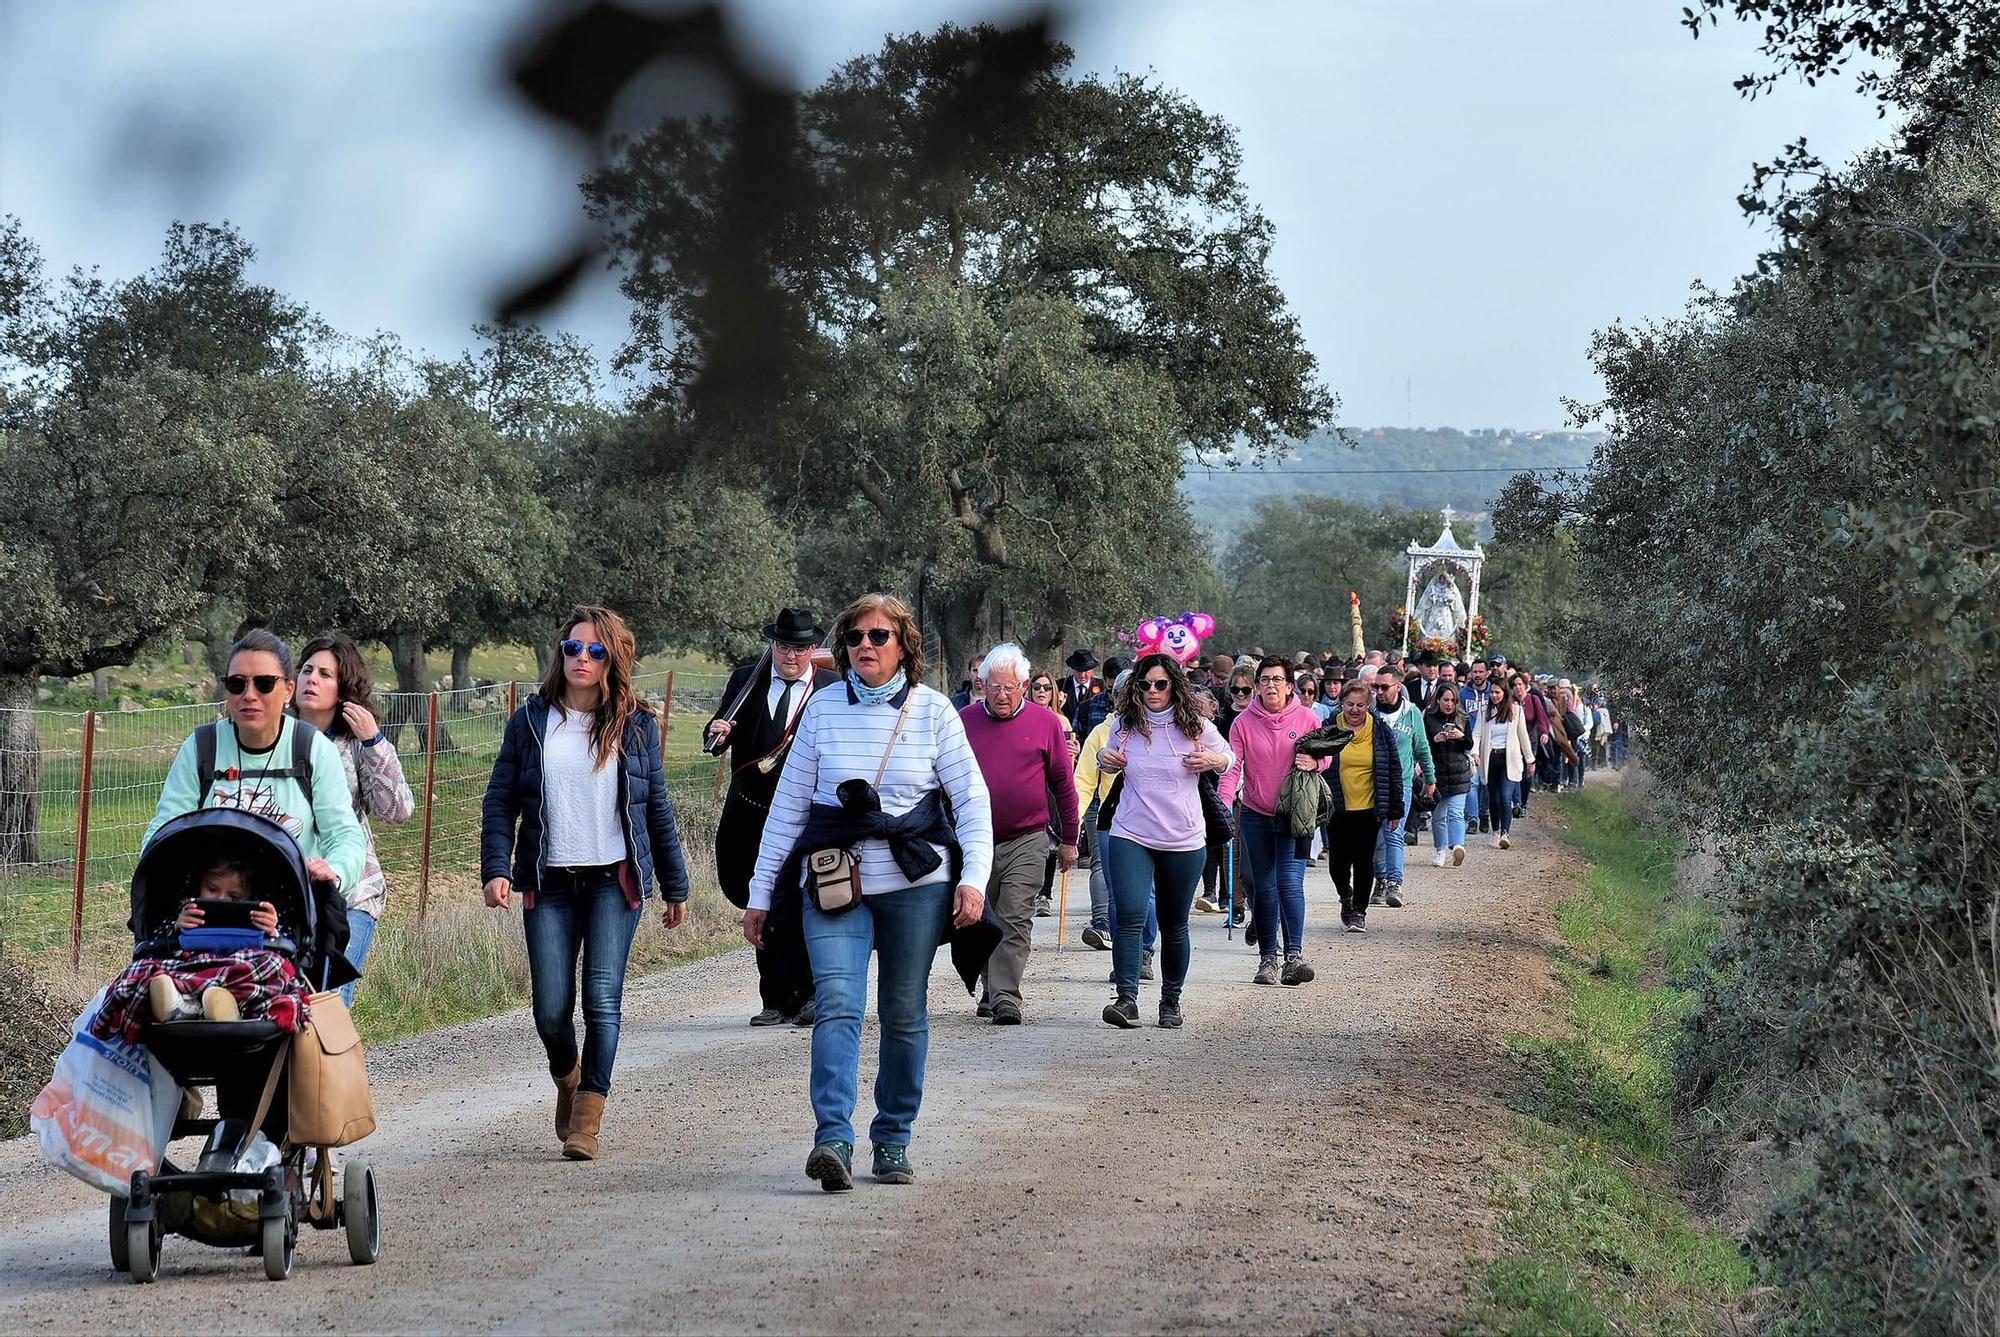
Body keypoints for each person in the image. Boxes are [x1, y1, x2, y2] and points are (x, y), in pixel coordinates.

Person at [744, 593, 994, 1192]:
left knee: (904, 1011)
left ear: (904, 646)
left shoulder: (935, 711)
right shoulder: (822, 709)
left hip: (916, 884)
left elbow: (971, 801)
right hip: (835, 881)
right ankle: (833, 1137)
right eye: (855, 637)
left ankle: (893, 1137)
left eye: (879, 636)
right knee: (837, 1003)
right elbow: (788, 808)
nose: (865, 646)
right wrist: (760, 891)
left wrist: (973, 879)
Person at [481, 605, 692, 1162]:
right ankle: (569, 1077)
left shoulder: (636, 725)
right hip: (548, 881)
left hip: (613, 882)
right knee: (551, 1008)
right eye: (573, 648)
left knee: (602, 999)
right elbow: (500, 800)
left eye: (595, 651)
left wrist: (675, 884)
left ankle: (588, 1118)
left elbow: (656, 808)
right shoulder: (530, 722)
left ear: (612, 660)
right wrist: (497, 867)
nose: (582, 658)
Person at [142, 629, 365, 942]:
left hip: (288, 921)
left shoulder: (313, 749)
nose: (249, 695)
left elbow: (344, 834)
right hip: (206, 916)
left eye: (264, 683)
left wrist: (334, 871)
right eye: (237, 684)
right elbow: (166, 828)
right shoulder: (202, 748)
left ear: (288, 690)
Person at [705, 607, 840, 1027]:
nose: (791, 656)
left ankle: (811, 994)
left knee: (808, 900)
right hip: (751, 815)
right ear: (773, 646)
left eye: (800, 648)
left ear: (812, 649)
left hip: (807, 817)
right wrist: (717, 732)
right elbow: (719, 731)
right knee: (761, 902)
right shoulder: (745, 680)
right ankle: (775, 998)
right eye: (783, 647)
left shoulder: (831, 688)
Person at [1093, 653, 1234, 1030]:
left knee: (1174, 923)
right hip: (1131, 833)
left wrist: (1212, 761)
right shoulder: (1125, 724)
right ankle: (1126, 999)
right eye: (1144, 684)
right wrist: (1105, 758)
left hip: (1183, 839)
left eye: (1160, 684)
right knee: (1130, 913)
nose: (1152, 691)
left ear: (1174, 686)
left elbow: (1229, 757)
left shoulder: (1195, 725)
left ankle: (1171, 1000)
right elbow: (1106, 759)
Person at [292, 635, 415, 1007]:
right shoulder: (275, 739)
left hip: (351, 895)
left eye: (325, 674)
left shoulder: (355, 744)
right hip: (287, 891)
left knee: (327, 1001)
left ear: (343, 688)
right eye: (307, 670)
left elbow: (397, 810)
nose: (312, 679)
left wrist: (374, 741)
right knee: (288, 999)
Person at [960, 643, 1078, 1025]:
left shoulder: (1046, 723)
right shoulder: (963, 721)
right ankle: (989, 987)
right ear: (982, 684)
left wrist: (1070, 839)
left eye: (1009, 687)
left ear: (1024, 686)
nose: (1001, 695)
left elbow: (1063, 785)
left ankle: (1005, 997)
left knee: (1014, 917)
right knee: (981, 919)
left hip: (1027, 837)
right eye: (994, 687)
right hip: (975, 839)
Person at [91, 856, 310, 1042]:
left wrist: (272, 932)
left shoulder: (261, 919)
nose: (221, 900)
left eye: (234, 897)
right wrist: (176, 929)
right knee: (143, 969)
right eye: (212, 890)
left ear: (249, 898)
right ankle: (189, 1005)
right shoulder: (187, 911)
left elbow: (288, 952)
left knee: (274, 963)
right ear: (199, 885)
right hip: (191, 970)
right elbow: (154, 947)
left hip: (240, 975)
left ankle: (216, 1006)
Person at [1228, 656, 1327, 986]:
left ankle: (1294, 957)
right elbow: (1232, 767)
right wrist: (1223, 804)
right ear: (1257, 686)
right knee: (1265, 887)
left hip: (1294, 815)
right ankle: (1268, 959)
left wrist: (1316, 762)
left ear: (1289, 686)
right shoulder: (1243, 722)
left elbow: (1326, 754)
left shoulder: (1307, 718)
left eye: (1277, 680)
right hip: (1255, 814)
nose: (1271, 685)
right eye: (1265, 680)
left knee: (1289, 883)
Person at [1308, 680, 1403, 934]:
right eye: (1349, 704)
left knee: (1363, 861)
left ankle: (1359, 911)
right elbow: (1314, 760)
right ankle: (1345, 896)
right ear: (1342, 703)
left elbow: (1393, 769)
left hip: (1369, 807)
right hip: (1336, 806)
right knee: (1338, 863)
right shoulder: (1329, 727)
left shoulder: (1380, 730)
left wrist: (1395, 808)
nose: (1354, 710)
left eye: (1360, 705)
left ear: (1368, 705)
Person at [1368, 671, 1434, 908]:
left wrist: (1429, 777)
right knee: (1376, 837)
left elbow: (1422, 746)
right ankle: (1380, 879)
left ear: (1398, 686)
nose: (1379, 692)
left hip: (1401, 783)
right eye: (1376, 687)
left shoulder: (1411, 713)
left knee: (1394, 833)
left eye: (1384, 687)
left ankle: (1394, 883)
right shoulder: (1371, 713)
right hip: (1373, 782)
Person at [1027, 670, 1081, 917]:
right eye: (1037, 687)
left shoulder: (1062, 722)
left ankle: (1045, 894)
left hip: (1051, 786)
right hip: (1029, 784)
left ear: (1054, 693)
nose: (1042, 691)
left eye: (1047, 688)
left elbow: (1066, 765)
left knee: (1051, 840)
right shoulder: (1024, 716)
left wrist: (1074, 752)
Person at [1477, 679, 1533, 850]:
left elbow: (1523, 736)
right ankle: (1495, 831)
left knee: (1505, 798)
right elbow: (1476, 734)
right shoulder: (1484, 711)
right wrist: (1474, 752)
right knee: (1493, 798)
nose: (1494, 696)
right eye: (1492, 692)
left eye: (1497, 692)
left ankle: (1505, 833)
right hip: (1490, 758)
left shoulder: (1516, 711)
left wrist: (1530, 759)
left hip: (1509, 759)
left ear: (1505, 693)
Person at [1424, 687, 1475, 867]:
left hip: (1458, 773)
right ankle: (1440, 850)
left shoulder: (1463, 717)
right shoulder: (1429, 718)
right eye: (1445, 700)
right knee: (1438, 816)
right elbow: (1422, 744)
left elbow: (1469, 743)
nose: (1449, 704)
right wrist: (1435, 740)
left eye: (1453, 700)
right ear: (1438, 700)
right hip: (1437, 773)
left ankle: (1458, 846)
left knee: (1456, 813)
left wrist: (1460, 736)